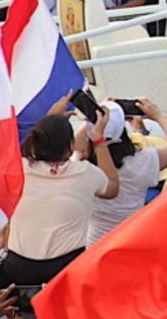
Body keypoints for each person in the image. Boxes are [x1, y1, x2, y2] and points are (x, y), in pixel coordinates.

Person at [0, 107, 119, 287]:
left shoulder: (16, 169)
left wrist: (50, 117)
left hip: (17, 269)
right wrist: (98, 140)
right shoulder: (86, 173)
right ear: (71, 146)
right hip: (67, 269)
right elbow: (112, 187)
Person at [86, 98, 167, 246]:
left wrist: (95, 117)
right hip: (131, 242)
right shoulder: (141, 161)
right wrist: (158, 115)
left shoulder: (82, 166)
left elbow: (80, 144)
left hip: (94, 247)